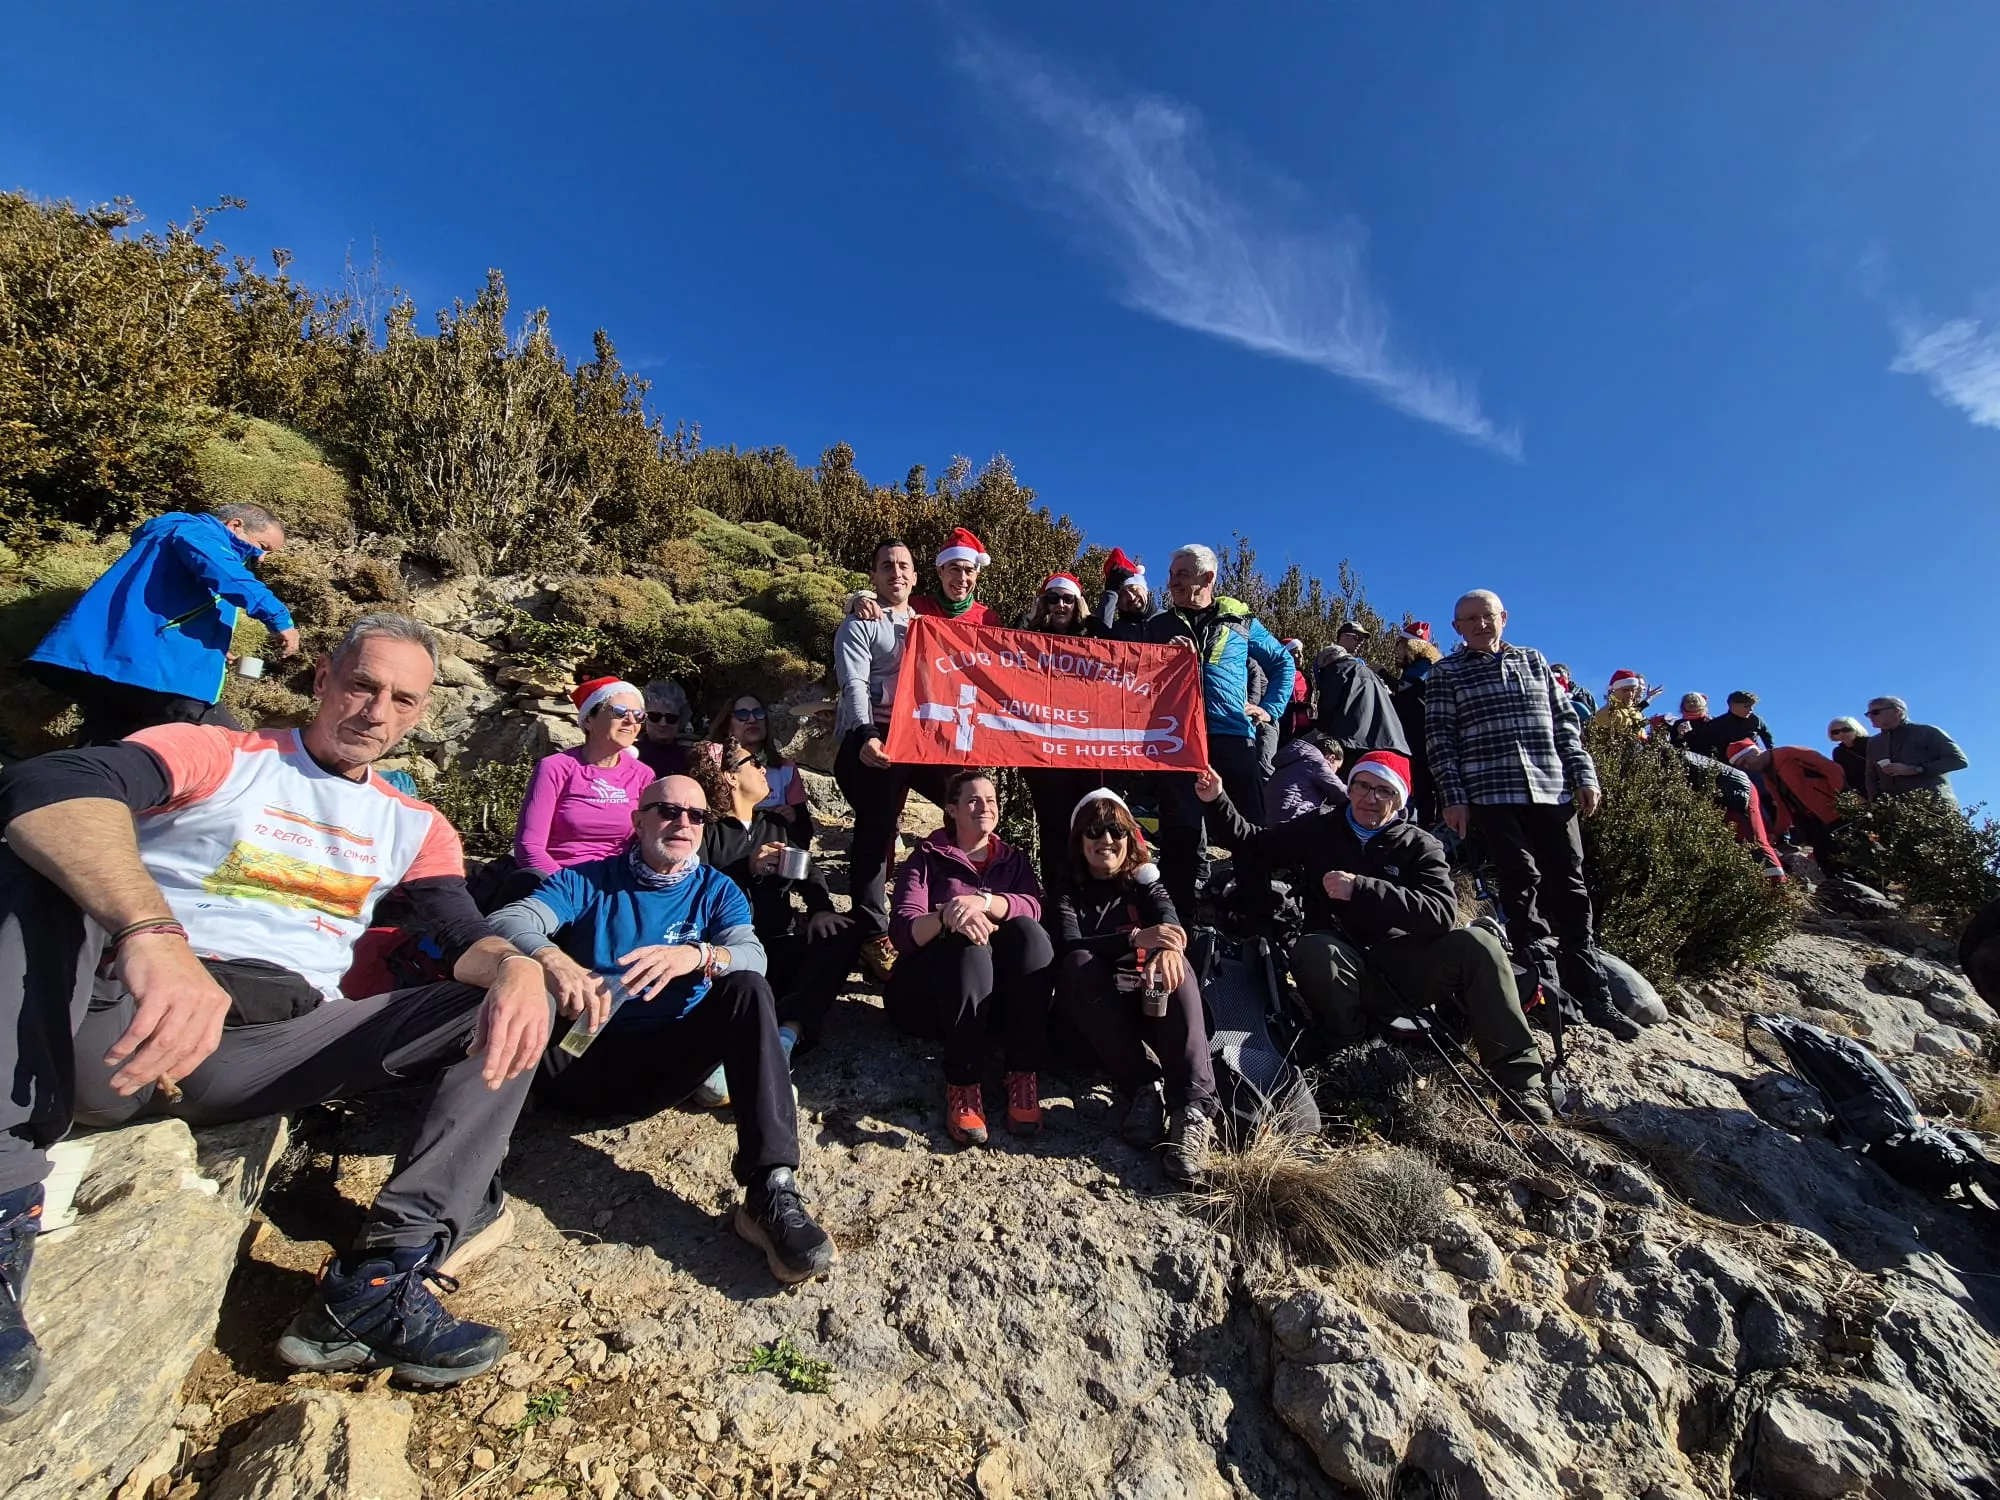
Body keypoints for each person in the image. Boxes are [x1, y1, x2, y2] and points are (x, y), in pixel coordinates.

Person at [0, 614, 555, 1410]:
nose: (375, 712)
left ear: (420, 714)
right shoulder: (225, 755)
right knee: (37, 860)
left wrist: (517, 968)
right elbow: (45, 785)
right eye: (362, 685)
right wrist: (153, 933)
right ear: (324, 678)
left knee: (505, 1007)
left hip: (269, 1046)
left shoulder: (414, 823)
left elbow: (458, 931)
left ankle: (376, 1282)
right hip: (119, 1011)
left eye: (402, 699)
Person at [488, 773, 834, 1286]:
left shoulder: (718, 891)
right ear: (638, 820)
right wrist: (553, 961)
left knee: (747, 989)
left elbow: (751, 955)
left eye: (696, 816)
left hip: (669, 1063)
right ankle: (475, 1169)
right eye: (668, 811)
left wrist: (695, 955)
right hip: (582, 1052)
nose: (683, 824)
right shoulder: (588, 880)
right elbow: (507, 920)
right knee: (517, 979)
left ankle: (770, 1187)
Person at [1195, 752, 1552, 1123]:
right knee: (1314, 947)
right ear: (1349, 788)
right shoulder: (1319, 827)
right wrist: (1217, 800)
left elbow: (1443, 915)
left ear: (1399, 800)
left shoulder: (1420, 845)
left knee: (1480, 945)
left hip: (1405, 967)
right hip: (1340, 964)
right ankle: (1351, 1049)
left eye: (1384, 790)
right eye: (1362, 785)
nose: (1370, 798)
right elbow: (1255, 845)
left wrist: (1362, 889)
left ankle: (1520, 1082)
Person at [1426, 590, 1638, 1042]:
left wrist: (1585, 774)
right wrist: (1453, 795)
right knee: (1520, 884)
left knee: (1571, 881)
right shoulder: (1446, 673)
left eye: (1488, 616)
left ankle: (1593, 992)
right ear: (1456, 628)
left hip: (1552, 787)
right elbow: (1440, 739)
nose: (1481, 624)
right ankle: (1546, 994)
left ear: (1503, 617)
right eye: (1469, 619)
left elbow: (1565, 722)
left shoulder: (1535, 661)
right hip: (1490, 790)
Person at [26, 503, 302, 744]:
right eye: (262, 547)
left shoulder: (167, 540)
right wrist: (278, 618)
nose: (262, 558)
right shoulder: (195, 532)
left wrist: (212, 647)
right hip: (151, 672)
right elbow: (226, 576)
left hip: (119, 667)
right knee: (225, 747)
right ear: (235, 525)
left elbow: (163, 607)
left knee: (105, 748)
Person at [1052, 790, 1216, 1183]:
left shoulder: (1145, 882)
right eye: (1095, 831)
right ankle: (1142, 1086)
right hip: (1093, 1023)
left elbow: (1170, 921)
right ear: (1079, 839)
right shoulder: (1065, 891)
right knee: (1078, 963)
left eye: (1116, 830)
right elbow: (1067, 945)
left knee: (1174, 963)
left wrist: (1169, 946)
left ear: (1129, 837)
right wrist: (1133, 939)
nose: (1106, 840)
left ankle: (1192, 1109)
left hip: (1149, 1009)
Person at [885, 771, 1053, 1146]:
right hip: (927, 998)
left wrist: (986, 903)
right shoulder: (926, 858)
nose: (985, 807)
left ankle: (1022, 1074)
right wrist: (947, 916)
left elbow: (1034, 906)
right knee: (967, 941)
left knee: (1031, 933)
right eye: (974, 800)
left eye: (991, 800)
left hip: (993, 1004)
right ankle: (963, 1083)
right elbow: (903, 929)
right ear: (952, 809)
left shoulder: (1013, 861)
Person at [691, 733, 861, 1077]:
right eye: (753, 762)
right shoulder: (707, 832)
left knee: (844, 935)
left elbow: (809, 870)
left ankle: (788, 1034)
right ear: (730, 776)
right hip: (731, 957)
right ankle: (749, 1039)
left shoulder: (776, 825)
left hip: (778, 945)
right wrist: (747, 868)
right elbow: (697, 892)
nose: (763, 768)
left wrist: (820, 910)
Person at [1142, 544, 1292, 922]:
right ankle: (1179, 927)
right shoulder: (1158, 625)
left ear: (1207, 579)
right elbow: (1135, 679)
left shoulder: (1240, 619)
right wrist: (1165, 660)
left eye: (1182, 575)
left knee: (1249, 835)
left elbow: (1283, 664)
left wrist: (1269, 710)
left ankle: (1257, 925)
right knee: (1180, 836)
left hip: (1233, 738)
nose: (1172, 582)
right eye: (1172, 574)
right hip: (1178, 740)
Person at [831, 539, 954, 982]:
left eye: (903, 566)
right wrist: (865, 733)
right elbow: (855, 684)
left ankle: (947, 902)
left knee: (963, 797)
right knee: (878, 823)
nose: (896, 573)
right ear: (874, 576)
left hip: (919, 737)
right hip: (875, 735)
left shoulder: (925, 621)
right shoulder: (860, 622)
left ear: (916, 577)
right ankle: (872, 934)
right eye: (887, 566)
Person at [501, 678, 655, 906]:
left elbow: (648, 843)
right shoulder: (555, 768)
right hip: (559, 884)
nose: (630, 720)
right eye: (620, 711)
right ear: (589, 720)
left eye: (638, 715)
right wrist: (571, 889)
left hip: (620, 888)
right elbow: (529, 848)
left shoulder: (643, 775)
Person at [1021, 573, 1107, 893]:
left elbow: (1122, 654)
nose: (1060, 605)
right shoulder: (1033, 636)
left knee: (1089, 821)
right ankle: (1058, 898)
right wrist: (1030, 616)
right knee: (1053, 826)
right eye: (1053, 598)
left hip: (1085, 749)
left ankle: (1090, 895)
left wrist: (1091, 620)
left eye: (1067, 599)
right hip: (1043, 749)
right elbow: (1001, 652)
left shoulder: (1092, 636)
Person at [1728, 741, 1847, 872]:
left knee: (1849, 853)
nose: (1747, 766)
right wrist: (1777, 832)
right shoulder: (1768, 777)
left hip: (1834, 813)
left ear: (1755, 750)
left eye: (1745, 760)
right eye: (1742, 766)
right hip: (1811, 822)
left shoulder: (1790, 753)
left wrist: (1840, 798)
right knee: (1827, 861)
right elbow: (1782, 807)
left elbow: (1833, 769)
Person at [708, 691, 811, 841]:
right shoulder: (715, 766)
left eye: (758, 713)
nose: (752, 719)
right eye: (742, 714)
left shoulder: (785, 768)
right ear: (728, 724)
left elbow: (806, 832)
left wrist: (792, 818)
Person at [848, 527, 1001, 626]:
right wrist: (859, 600)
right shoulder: (916, 608)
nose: (962, 578)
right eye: (954, 569)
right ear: (940, 571)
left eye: (969, 571)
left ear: (977, 575)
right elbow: (887, 602)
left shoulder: (988, 620)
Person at [1312, 622, 1409, 759]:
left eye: (1362, 640)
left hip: (1352, 742)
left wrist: (1320, 729)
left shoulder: (1340, 669)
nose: (1360, 643)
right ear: (1343, 636)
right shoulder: (1363, 671)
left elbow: (1329, 704)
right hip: (1391, 743)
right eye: (1356, 637)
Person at [1864, 697, 1970, 806]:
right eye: (1868, 714)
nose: (1870, 717)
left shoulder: (1927, 732)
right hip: (1894, 811)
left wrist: (1916, 769)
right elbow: (1871, 776)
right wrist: (1875, 800)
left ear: (1897, 711)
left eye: (1875, 712)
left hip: (1934, 806)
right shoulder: (1874, 742)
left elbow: (1958, 760)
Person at [1391, 623, 1441, 824]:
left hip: (1422, 734)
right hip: (1420, 734)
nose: (1396, 650)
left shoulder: (1423, 665)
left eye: (1399, 645)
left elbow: (1404, 688)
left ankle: (1435, 827)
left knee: (1427, 784)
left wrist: (1383, 673)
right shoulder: (1424, 665)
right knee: (1423, 785)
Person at [1265, 729, 1348, 825]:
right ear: (1331, 758)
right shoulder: (1316, 761)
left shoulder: (1296, 757)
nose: (1335, 773)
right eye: (1337, 768)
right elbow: (1339, 791)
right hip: (1292, 816)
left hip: (1273, 815)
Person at [1684, 691, 1775, 760]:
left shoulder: (1756, 719)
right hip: (1729, 764)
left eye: (1752, 706)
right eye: (1746, 706)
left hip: (1754, 759)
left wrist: (1771, 755)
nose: (1751, 709)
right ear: (1733, 705)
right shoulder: (1717, 724)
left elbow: (1767, 737)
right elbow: (1703, 743)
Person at [1094, 547, 1154, 642]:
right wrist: (1111, 593)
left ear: (1145, 589)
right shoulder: (1116, 631)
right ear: (1117, 603)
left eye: (1133, 589)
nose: (1131, 597)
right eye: (1122, 595)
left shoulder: (1169, 620)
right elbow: (1096, 644)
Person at [637, 678, 693, 778]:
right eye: (655, 716)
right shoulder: (632, 754)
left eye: (671, 718)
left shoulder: (688, 758)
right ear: (644, 717)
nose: (663, 723)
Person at [1592, 670, 1650, 740]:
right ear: (1613, 691)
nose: (1630, 694)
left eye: (1633, 690)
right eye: (1625, 690)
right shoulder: (1607, 713)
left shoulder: (1637, 714)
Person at [1277, 638, 1313, 742]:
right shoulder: (1280, 674)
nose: (1301, 656)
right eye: (1296, 652)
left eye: (1301, 652)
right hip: (1285, 727)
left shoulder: (1305, 676)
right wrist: (1300, 706)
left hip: (1305, 728)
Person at [1827, 716, 1871, 798]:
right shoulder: (1838, 752)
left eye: (1846, 730)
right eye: (1836, 732)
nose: (1841, 734)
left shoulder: (1871, 743)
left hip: (1881, 789)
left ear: (1855, 728)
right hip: (1859, 794)